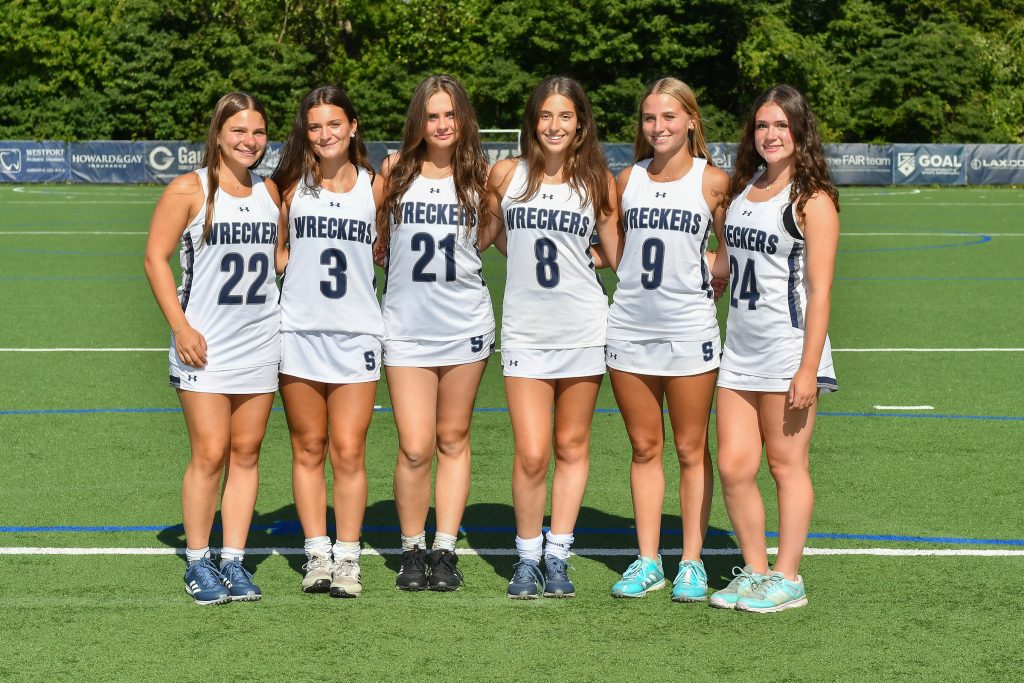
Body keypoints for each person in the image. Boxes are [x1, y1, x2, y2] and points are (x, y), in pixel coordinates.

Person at [144, 92, 280, 605]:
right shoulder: (189, 188)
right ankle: (198, 561)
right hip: (203, 345)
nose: (250, 140)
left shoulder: (270, 191)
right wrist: (180, 327)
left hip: (260, 340)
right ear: (218, 134)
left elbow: (278, 257)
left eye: (258, 131)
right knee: (209, 452)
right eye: (239, 130)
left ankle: (234, 560)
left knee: (246, 453)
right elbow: (155, 259)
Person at [486, 76, 618, 599]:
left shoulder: (597, 181)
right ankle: (527, 556)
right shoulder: (507, 174)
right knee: (532, 452)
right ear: (532, 121)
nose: (555, 125)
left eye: (565, 116)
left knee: (571, 444)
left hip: (583, 327)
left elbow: (618, 253)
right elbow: (488, 236)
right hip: (525, 331)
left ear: (580, 124)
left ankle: (558, 553)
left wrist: (585, 259)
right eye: (546, 115)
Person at [709, 84, 840, 613]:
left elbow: (821, 291)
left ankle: (788, 577)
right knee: (734, 466)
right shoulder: (744, 190)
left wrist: (809, 369)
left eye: (781, 125)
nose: (770, 135)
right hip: (739, 351)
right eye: (762, 125)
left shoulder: (812, 200)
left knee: (787, 466)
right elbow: (724, 264)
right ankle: (755, 571)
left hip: (789, 351)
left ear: (800, 132)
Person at [604, 78, 729, 601]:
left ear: (691, 120)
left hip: (689, 331)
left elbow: (732, 249)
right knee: (644, 447)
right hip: (629, 329)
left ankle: (692, 561)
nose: (658, 127)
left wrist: (710, 271)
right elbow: (615, 242)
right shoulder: (627, 178)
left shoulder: (713, 180)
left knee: (690, 448)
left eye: (669, 117)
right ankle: (649, 559)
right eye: (650, 118)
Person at [376, 75, 494, 591]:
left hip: (465, 324)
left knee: (453, 438)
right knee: (414, 446)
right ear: (418, 122)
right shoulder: (394, 170)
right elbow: (374, 236)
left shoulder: (480, 174)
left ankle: (444, 548)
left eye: (450, 114)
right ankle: (411, 548)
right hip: (405, 328)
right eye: (432, 116)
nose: (442, 125)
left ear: (463, 118)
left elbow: (493, 234)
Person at [271, 86, 382, 598]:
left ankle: (349, 556)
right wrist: (293, 268)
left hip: (357, 333)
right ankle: (317, 552)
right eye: (315, 126)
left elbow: (387, 247)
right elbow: (273, 249)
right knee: (308, 446)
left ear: (353, 126)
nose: (325, 134)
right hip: (299, 331)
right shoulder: (289, 187)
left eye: (334, 123)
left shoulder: (376, 186)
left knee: (349, 450)